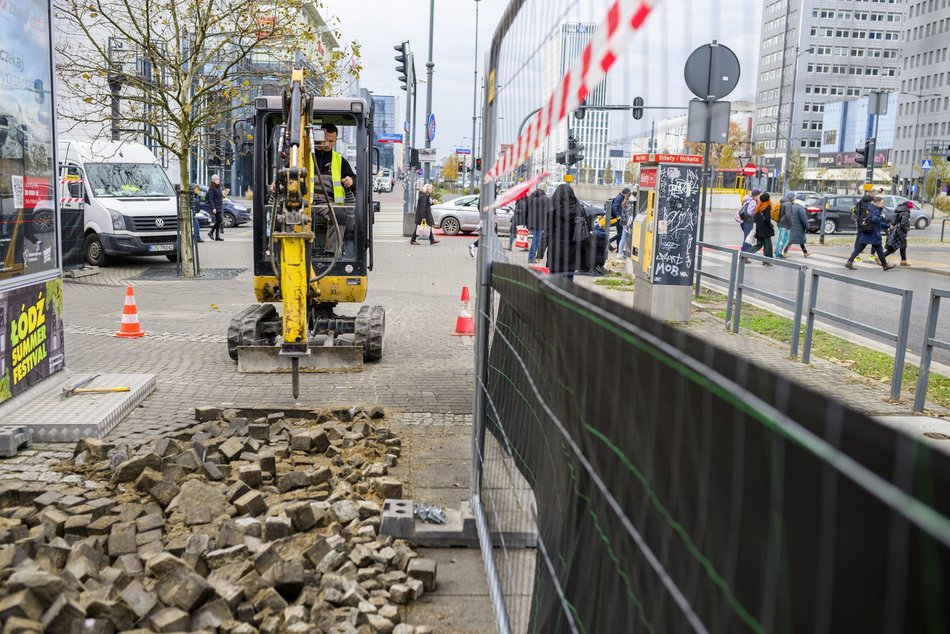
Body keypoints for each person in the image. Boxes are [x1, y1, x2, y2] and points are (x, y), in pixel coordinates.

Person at [546, 184, 585, 279]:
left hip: (555, 250)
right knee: (568, 280)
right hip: (572, 249)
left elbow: (547, 232)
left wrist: (540, 252)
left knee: (553, 281)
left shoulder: (552, 210)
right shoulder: (578, 209)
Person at [846, 196, 894, 271]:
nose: (883, 204)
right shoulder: (876, 210)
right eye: (882, 202)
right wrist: (881, 217)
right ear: (878, 203)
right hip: (873, 233)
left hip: (866, 231)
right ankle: (885, 265)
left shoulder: (869, 208)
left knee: (859, 248)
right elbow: (875, 220)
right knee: (879, 249)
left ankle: (849, 261)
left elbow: (878, 223)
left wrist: (887, 226)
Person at [312, 123, 356, 203]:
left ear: (336, 140)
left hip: (332, 206)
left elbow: (354, 180)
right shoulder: (305, 156)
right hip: (307, 204)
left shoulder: (340, 160)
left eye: (331, 141)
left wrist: (350, 180)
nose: (328, 144)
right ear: (319, 137)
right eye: (325, 140)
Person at [880, 199, 913, 267]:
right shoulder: (906, 213)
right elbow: (903, 223)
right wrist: (905, 230)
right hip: (899, 231)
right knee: (893, 248)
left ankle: (903, 261)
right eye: (911, 208)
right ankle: (881, 257)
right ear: (908, 207)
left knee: (903, 245)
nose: (912, 209)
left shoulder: (898, 210)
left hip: (895, 229)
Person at [748, 192, 775, 263]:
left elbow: (756, 218)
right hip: (765, 229)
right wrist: (770, 226)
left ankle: (746, 255)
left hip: (759, 229)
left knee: (759, 244)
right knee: (768, 246)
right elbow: (767, 218)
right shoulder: (768, 206)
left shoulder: (758, 206)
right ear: (768, 199)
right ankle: (768, 261)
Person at [526, 188, 548, 263]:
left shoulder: (531, 198)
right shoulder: (545, 199)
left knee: (535, 239)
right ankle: (531, 257)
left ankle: (531, 256)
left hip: (532, 222)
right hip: (540, 223)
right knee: (536, 240)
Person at [607, 187, 629, 251]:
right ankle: (609, 241)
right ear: (627, 193)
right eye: (628, 195)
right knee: (621, 233)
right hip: (618, 219)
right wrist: (618, 216)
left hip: (619, 218)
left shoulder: (620, 197)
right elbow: (614, 206)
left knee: (620, 233)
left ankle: (618, 249)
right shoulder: (619, 197)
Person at [775, 192, 795, 258]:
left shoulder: (783, 202)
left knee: (784, 239)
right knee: (782, 239)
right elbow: (788, 215)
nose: (795, 198)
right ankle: (778, 253)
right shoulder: (788, 204)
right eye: (794, 196)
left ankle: (778, 251)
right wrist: (791, 223)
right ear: (791, 197)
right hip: (784, 224)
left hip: (782, 223)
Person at [207, 175, 224, 241]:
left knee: (218, 221)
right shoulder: (211, 188)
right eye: (217, 180)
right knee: (219, 220)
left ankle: (217, 236)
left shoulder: (218, 188)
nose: (218, 181)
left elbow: (219, 197)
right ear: (213, 181)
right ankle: (211, 232)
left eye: (218, 179)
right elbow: (210, 199)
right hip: (215, 207)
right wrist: (213, 208)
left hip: (219, 206)